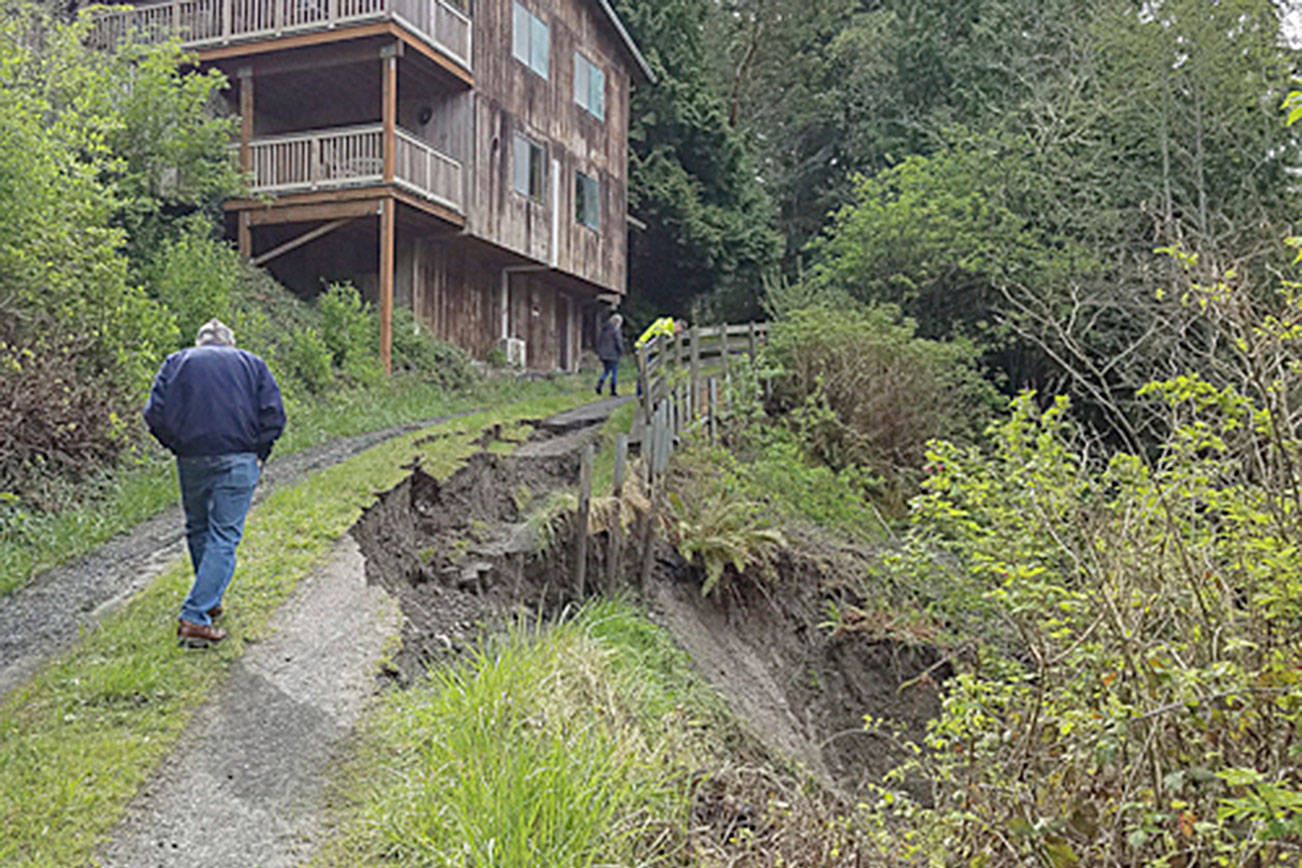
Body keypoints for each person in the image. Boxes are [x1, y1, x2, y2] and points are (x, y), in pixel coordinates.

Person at [143, 319, 286, 648]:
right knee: (224, 534)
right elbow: (274, 415)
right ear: (229, 343)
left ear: (200, 342)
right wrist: (260, 452)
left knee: (198, 528)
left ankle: (209, 598)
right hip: (238, 457)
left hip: (192, 458)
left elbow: (154, 414)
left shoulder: (176, 361)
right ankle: (195, 616)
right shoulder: (252, 364)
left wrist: (178, 445)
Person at [633, 317, 686, 396]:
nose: (677, 333)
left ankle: (645, 391)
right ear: (677, 325)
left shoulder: (668, 326)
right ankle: (641, 393)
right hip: (642, 347)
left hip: (648, 349)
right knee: (644, 371)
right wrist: (669, 334)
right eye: (678, 331)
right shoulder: (665, 323)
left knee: (649, 370)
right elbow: (659, 331)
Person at [594, 312, 625, 396]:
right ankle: (613, 390)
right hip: (613, 354)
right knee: (614, 372)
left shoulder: (604, 329)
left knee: (606, 371)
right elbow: (618, 343)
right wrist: (621, 351)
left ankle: (600, 384)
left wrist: (599, 352)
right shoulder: (616, 330)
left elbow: (599, 341)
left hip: (604, 354)